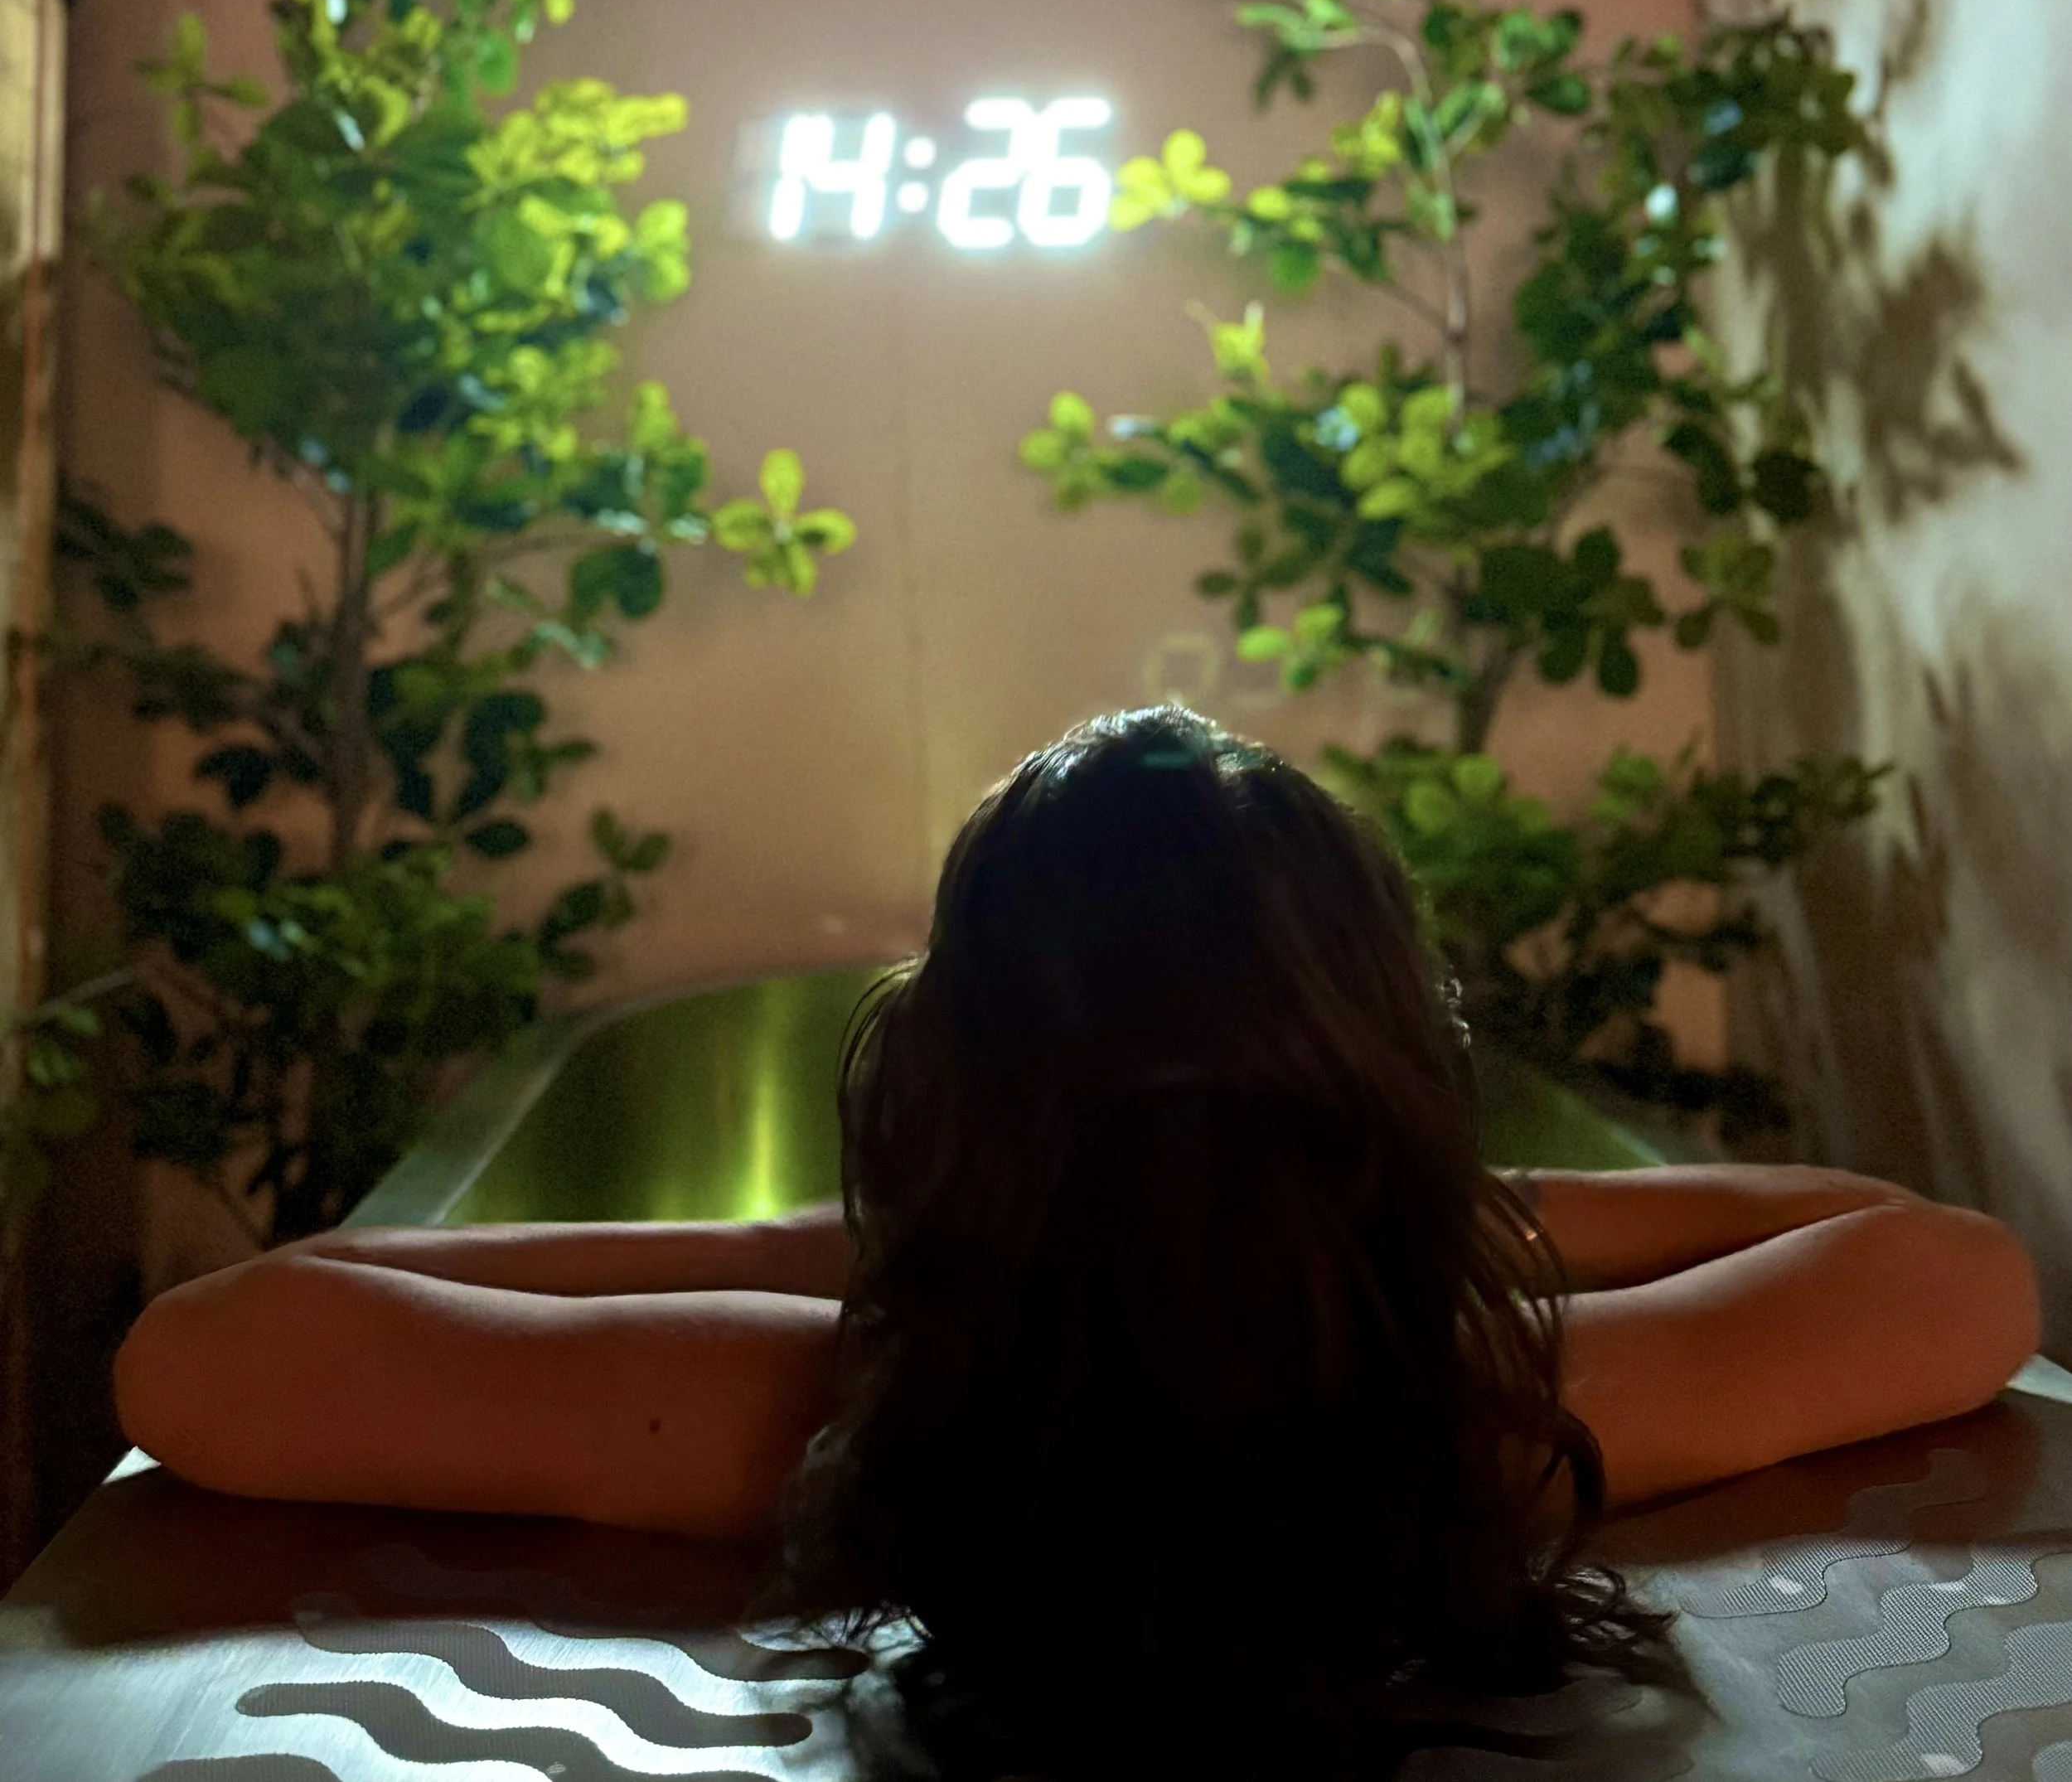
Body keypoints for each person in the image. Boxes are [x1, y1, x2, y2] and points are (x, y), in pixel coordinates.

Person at [114, 706, 2040, 1777]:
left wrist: (888, 1240)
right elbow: (1937, 1260)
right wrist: (1370, 1205)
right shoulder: (1475, 1403)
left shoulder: (844, 1401)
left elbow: (211, 1353)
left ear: (948, 1073)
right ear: (1375, 1069)